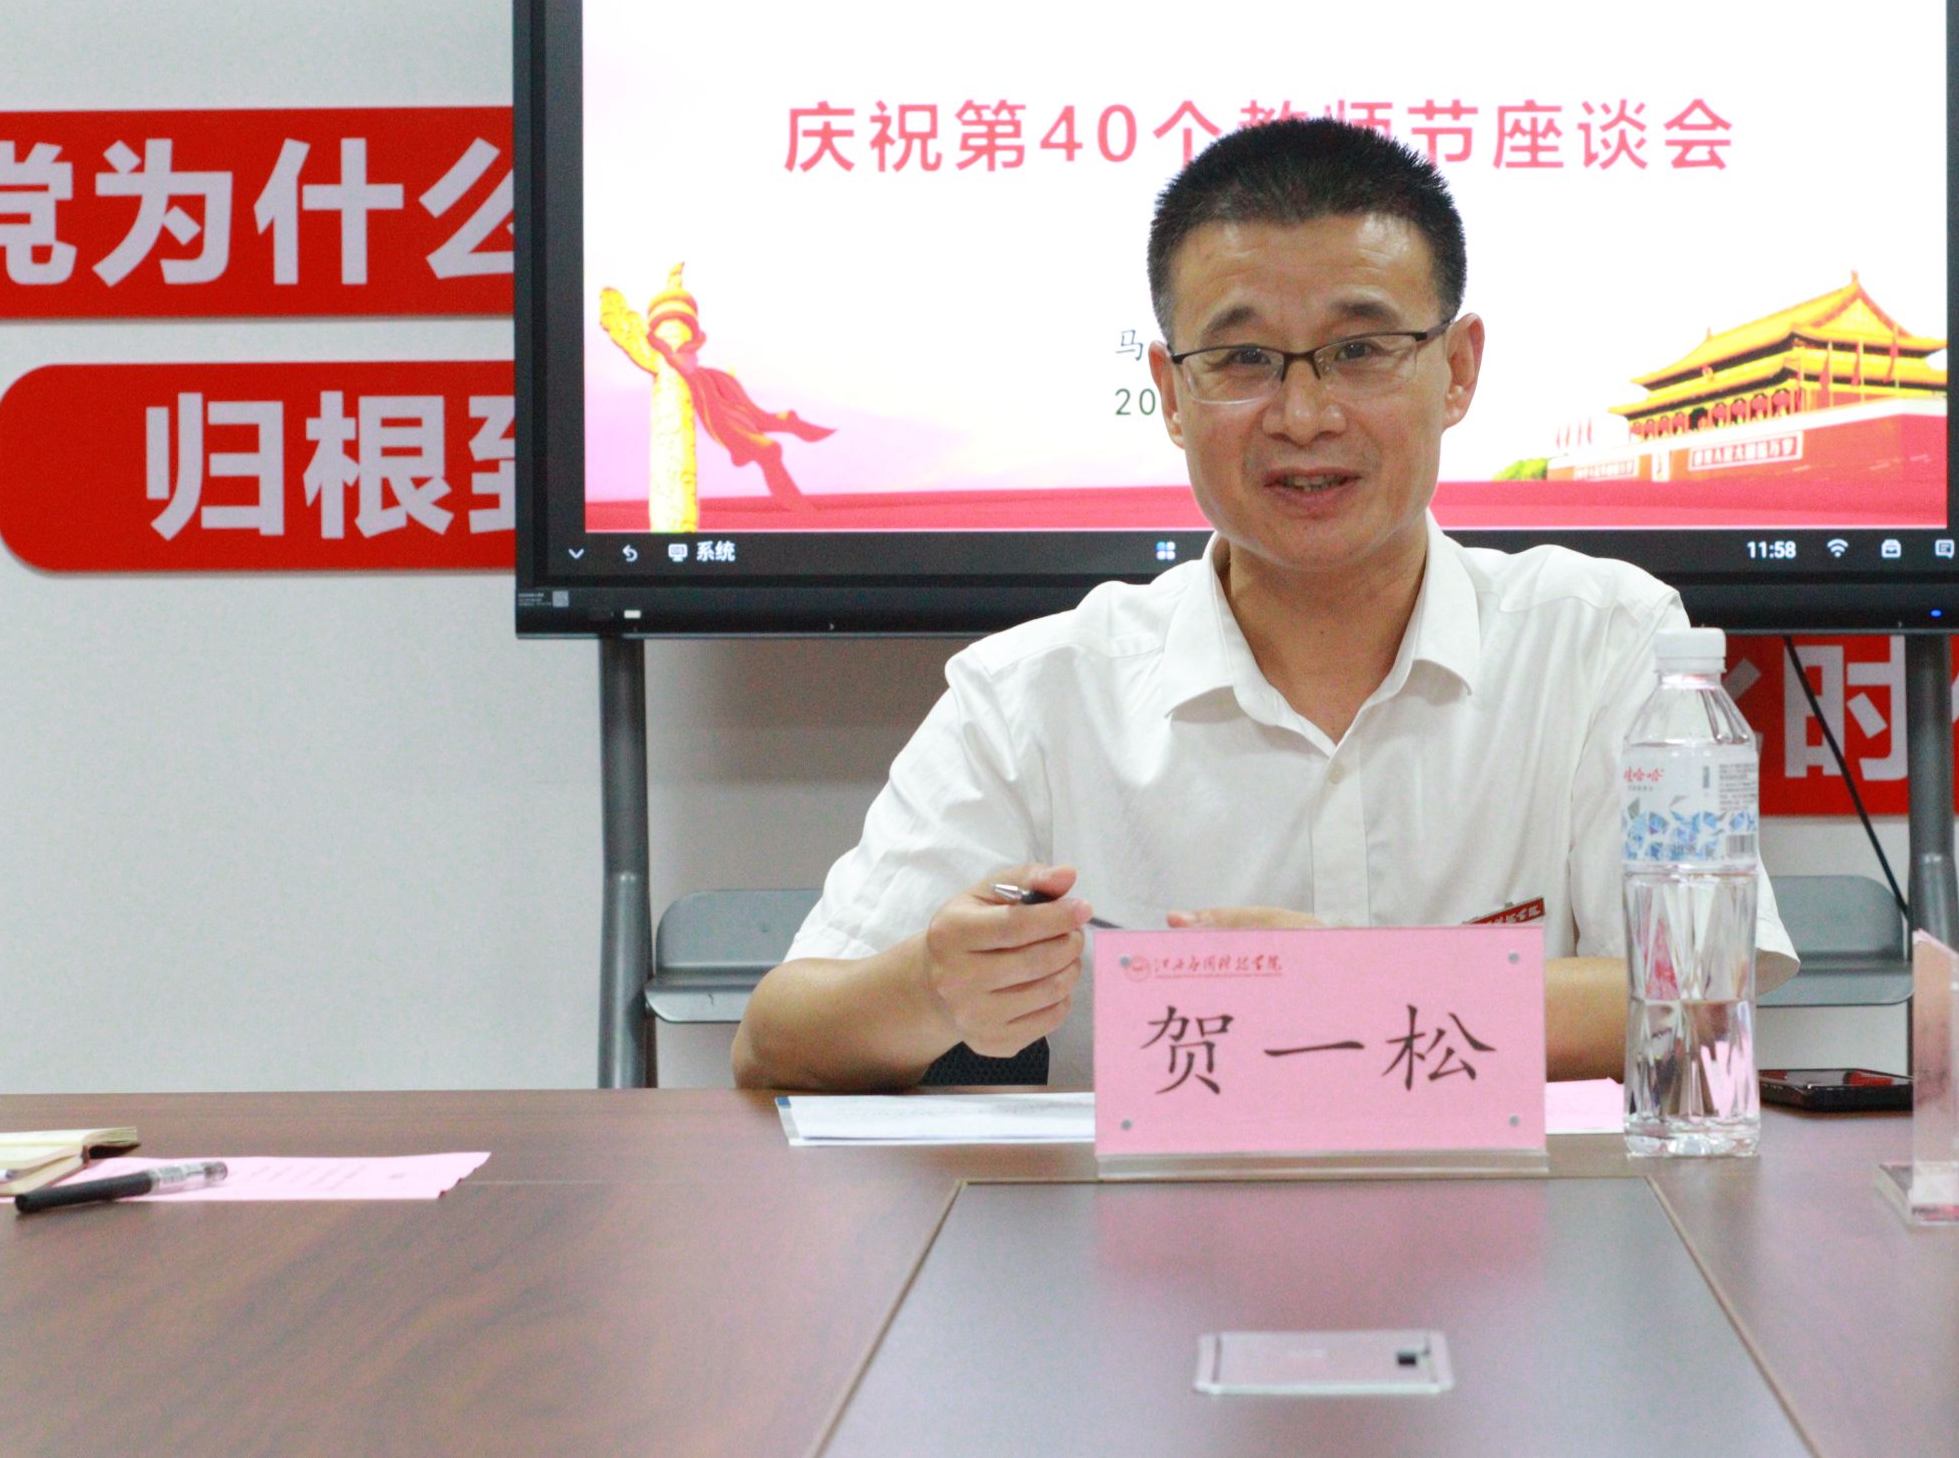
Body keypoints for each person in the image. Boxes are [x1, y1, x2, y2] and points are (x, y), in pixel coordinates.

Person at [732, 118, 1795, 1092]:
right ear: (1170, 393)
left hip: (1525, 1231)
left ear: (1458, 370)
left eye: (1360, 350)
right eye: (1243, 359)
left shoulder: (1604, 639)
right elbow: (775, 1038)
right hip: (1148, 1239)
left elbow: (1705, 993)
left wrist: (1354, 991)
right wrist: (934, 988)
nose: (1304, 414)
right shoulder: (1035, 694)